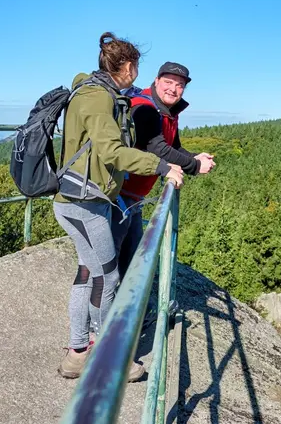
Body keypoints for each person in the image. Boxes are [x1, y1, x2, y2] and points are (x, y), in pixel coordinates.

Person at [53, 33, 184, 380]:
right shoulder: (97, 97)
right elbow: (111, 151)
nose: (136, 73)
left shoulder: (95, 92)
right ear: (127, 67)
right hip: (85, 203)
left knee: (88, 273)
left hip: (80, 198)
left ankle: (77, 354)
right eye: (136, 66)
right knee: (107, 278)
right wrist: (160, 166)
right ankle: (109, 356)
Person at [114, 62, 215, 284]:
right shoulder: (145, 108)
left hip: (133, 198)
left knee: (131, 259)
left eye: (179, 85)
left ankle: (131, 310)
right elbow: (157, 148)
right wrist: (195, 167)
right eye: (168, 82)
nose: (173, 89)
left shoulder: (168, 111)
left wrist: (196, 156)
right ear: (157, 81)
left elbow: (174, 147)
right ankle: (110, 315)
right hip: (117, 196)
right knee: (113, 264)